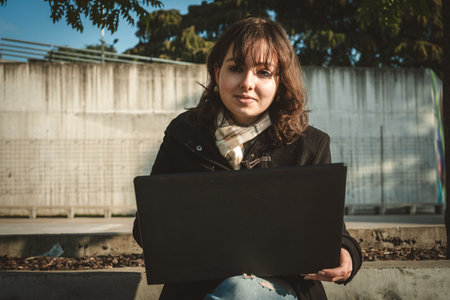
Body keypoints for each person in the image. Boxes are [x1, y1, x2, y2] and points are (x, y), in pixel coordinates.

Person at [133, 16, 362, 300]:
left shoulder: (310, 145)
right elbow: (146, 230)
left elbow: (334, 234)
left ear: (280, 80)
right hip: (195, 288)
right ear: (217, 72)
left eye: (263, 72)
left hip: (283, 288)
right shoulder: (183, 135)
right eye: (235, 68)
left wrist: (347, 255)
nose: (247, 83)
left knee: (240, 292)